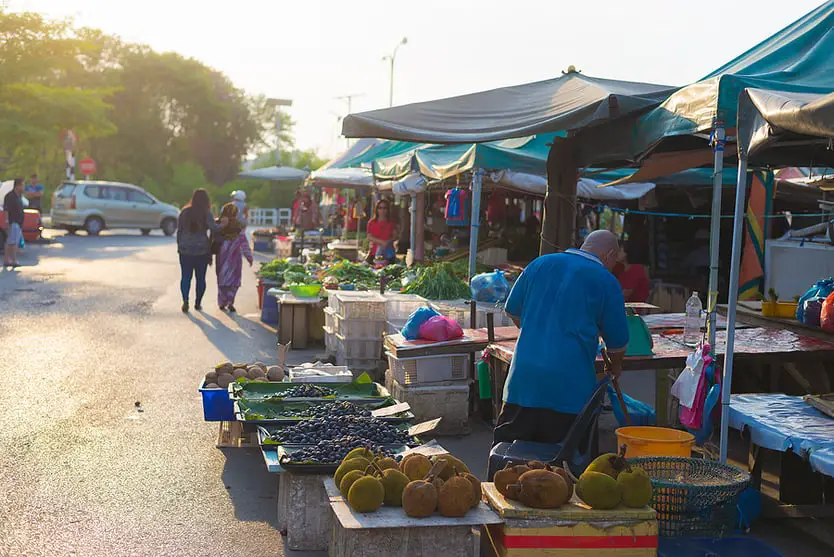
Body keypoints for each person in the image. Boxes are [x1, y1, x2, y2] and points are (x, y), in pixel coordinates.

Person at [494, 230, 630, 447]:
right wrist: (615, 367)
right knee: (564, 467)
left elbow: (513, 311)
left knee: (509, 458)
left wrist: (540, 330)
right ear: (610, 254)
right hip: (569, 390)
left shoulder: (540, 264)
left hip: (523, 382)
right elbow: (617, 343)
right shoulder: (606, 280)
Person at [177, 189, 226, 313]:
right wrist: (223, 224)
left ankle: (185, 301)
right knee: (200, 278)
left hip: (185, 249)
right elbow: (214, 229)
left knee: (185, 277)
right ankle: (198, 303)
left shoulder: (184, 212)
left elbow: (179, 231)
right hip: (201, 250)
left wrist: (180, 245)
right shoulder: (206, 213)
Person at [215, 203, 253, 312]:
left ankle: (222, 302)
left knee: (222, 279)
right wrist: (249, 257)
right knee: (234, 280)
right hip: (235, 257)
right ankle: (230, 301)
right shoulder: (238, 226)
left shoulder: (220, 225)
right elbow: (244, 244)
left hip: (221, 256)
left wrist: (209, 256)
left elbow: (212, 239)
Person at [366, 199, 397, 264]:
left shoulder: (391, 223)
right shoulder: (371, 223)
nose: (382, 210)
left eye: (385, 208)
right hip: (374, 253)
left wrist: (387, 242)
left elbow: (395, 236)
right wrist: (381, 242)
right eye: (380, 208)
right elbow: (369, 237)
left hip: (388, 254)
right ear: (376, 209)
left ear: (388, 210)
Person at [3, 178, 25, 268]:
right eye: (23, 185)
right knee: (12, 242)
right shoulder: (10, 196)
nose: (23, 187)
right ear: (18, 185)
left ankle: (8, 260)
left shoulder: (18, 195)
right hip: (13, 222)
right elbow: (6, 210)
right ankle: (13, 260)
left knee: (13, 241)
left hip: (18, 222)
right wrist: (6, 221)